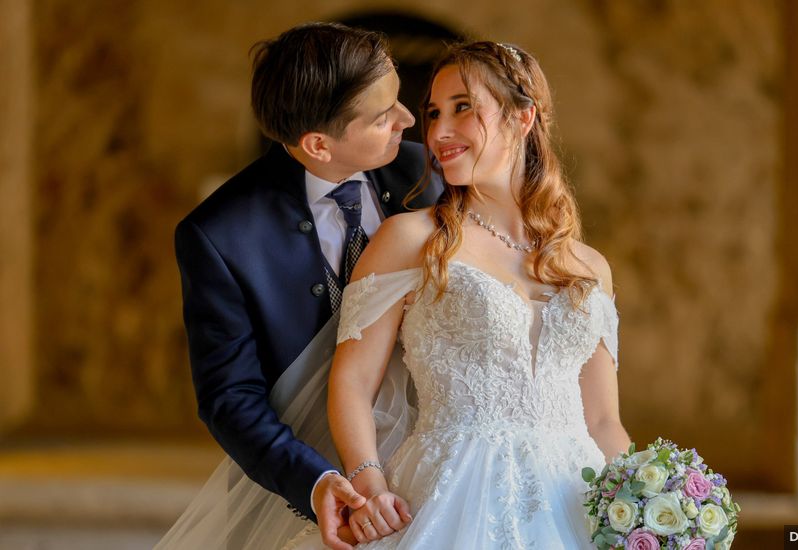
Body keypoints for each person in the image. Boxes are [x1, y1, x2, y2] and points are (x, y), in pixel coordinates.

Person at [283, 40, 631, 550]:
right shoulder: (408, 240)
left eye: (463, 108)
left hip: (577, 501)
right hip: (449, 498)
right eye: (433, 113)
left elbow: (602, 420)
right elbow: (353, 381)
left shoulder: (589, 267)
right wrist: (369, 483)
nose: (439, 132)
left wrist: (649, 502)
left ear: (522, 117)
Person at [158, 22, 441, 550]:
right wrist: (314, 484)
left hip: (437, 468)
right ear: (317, 144)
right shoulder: (219, 235)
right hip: (310, 490)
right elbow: (229, 397)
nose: (408, 119)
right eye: (384, 117)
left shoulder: (434, 178)